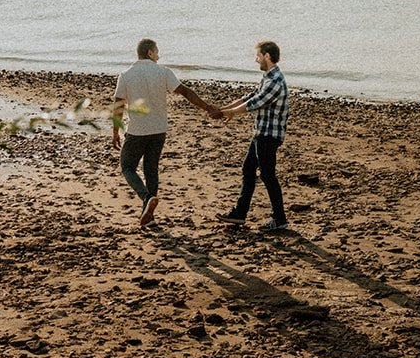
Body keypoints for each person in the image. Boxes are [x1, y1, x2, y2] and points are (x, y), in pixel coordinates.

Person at [112, 38, 219, 227]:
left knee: (127, 167)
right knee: (151, 169)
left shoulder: (126, 75)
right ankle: (150, 216)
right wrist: (207, 107)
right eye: (157, 51)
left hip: (137, 131)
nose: (159, 54)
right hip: (159, 130)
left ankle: (146, 199)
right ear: (150, 53)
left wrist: (115, 131)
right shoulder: (163, 72)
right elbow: (185, 92)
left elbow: (118, 105)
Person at [216, 40, 291, 232]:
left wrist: (230, 112)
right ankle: (239, 214)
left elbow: (256, 102)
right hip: (261, 133)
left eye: (258, 55)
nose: (255, 59)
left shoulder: (275, 81)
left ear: (267, 56)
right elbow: (250, 96)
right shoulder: (267, 77)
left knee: (267, 175)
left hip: (269, 135)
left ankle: (279, 219)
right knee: (248, 169)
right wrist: (224, 109)